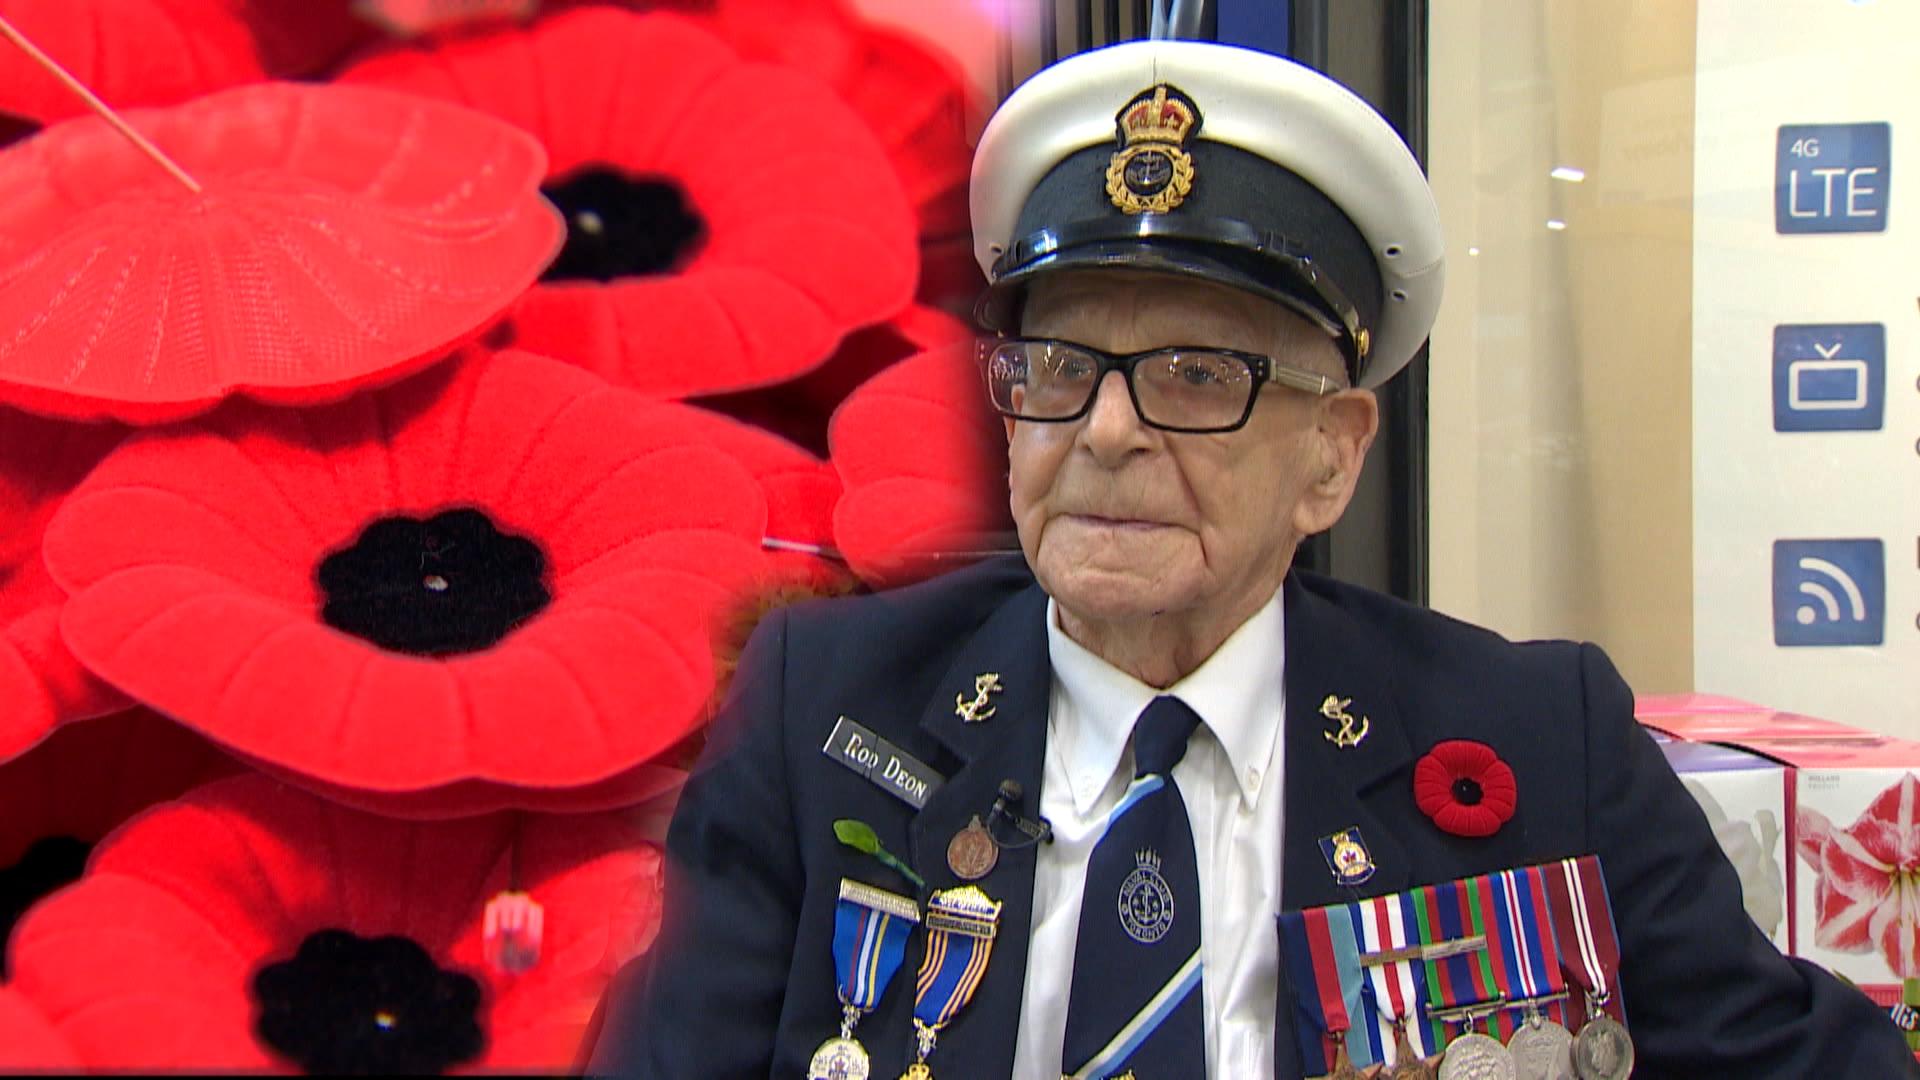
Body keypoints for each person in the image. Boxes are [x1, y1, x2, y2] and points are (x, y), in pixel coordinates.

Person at [588, 37, 1916, 1080]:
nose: (1105, 432)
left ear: (1333, 456)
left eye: (1194, 376)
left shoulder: (1534, 744)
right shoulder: (828, 707)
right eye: (1055, 370)